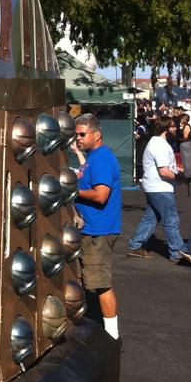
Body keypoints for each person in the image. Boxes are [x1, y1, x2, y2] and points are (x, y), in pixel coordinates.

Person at [73, 113, 122, 342]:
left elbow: (101, 195)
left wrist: (72, 192)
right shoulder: (94, 157)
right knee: (90, 282)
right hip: (91, 230)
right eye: (76, 134)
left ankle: (112, 337)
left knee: (101, 285)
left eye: (82, 134)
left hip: (98, 232)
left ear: (97, 135)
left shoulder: (102, 159)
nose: (78, 138)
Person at [127, 117, 191, 266]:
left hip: (155, 187)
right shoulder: (158, 145)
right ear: (165, 128)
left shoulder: (159, 143)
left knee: (151, 218)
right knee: (171, 220)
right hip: (160, 188)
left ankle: (135, 245)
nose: (175, 129)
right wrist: (181, 177)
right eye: (172, 127)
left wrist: (180, 172)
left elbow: (167, 168)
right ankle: (177, 252)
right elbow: (164, 172)